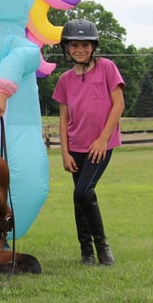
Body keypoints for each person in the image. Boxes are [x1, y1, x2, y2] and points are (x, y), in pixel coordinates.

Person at [51, 19, 125, 266]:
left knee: (83, 191)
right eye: (74, 45)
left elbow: (119, 105)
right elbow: (63, 118)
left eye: (85, 44)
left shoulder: (107, 68)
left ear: (93, 46)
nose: (79, 49)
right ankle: (87, 253)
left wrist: (103, 139)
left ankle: (103, 248)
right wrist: (64, 152)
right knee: (78, 196)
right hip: (76, 147)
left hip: (100, 145)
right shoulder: (65, 80)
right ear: (67, 48)